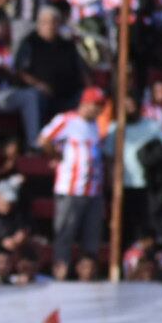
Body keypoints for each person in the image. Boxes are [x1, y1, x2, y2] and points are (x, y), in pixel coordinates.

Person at [40, 86, 107, 279]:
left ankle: (87, 278)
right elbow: (44, 139)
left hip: (93, 191)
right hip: (71, 189)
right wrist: (57, 156)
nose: (98, 110)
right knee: (65, 236)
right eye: (95, 105)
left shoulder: (95, 125)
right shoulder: (67, 120)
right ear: (85, 103)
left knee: (91, 240)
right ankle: (60, 276)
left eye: (100, 106)